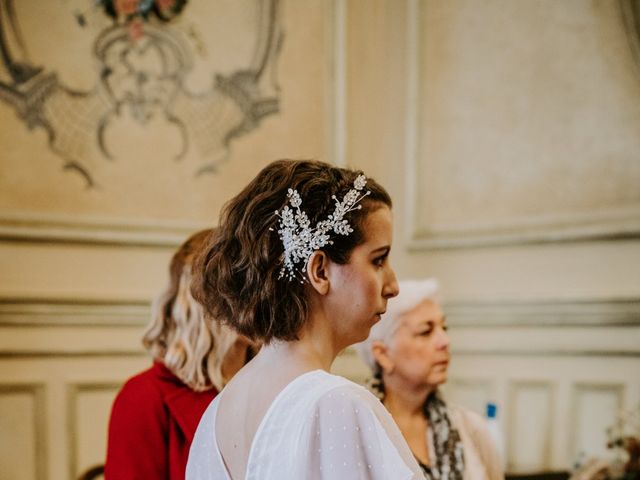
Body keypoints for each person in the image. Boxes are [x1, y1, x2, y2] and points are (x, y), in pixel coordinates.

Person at [186, 159, 424, 479]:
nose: (393, 286)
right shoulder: (337, 405)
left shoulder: (217, 414)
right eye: (378, 260)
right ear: (320, 270)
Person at [105, 229, 254, 480]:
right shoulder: (142, 398)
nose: (267, 297)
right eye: (248, 282)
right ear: (203, 301)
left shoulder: (272, 388)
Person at [355, 279, 503, 480]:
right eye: (425, 331)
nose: (444, 341)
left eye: (444, 328)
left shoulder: (470, 428)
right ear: (382, 354)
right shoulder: (360, 430)